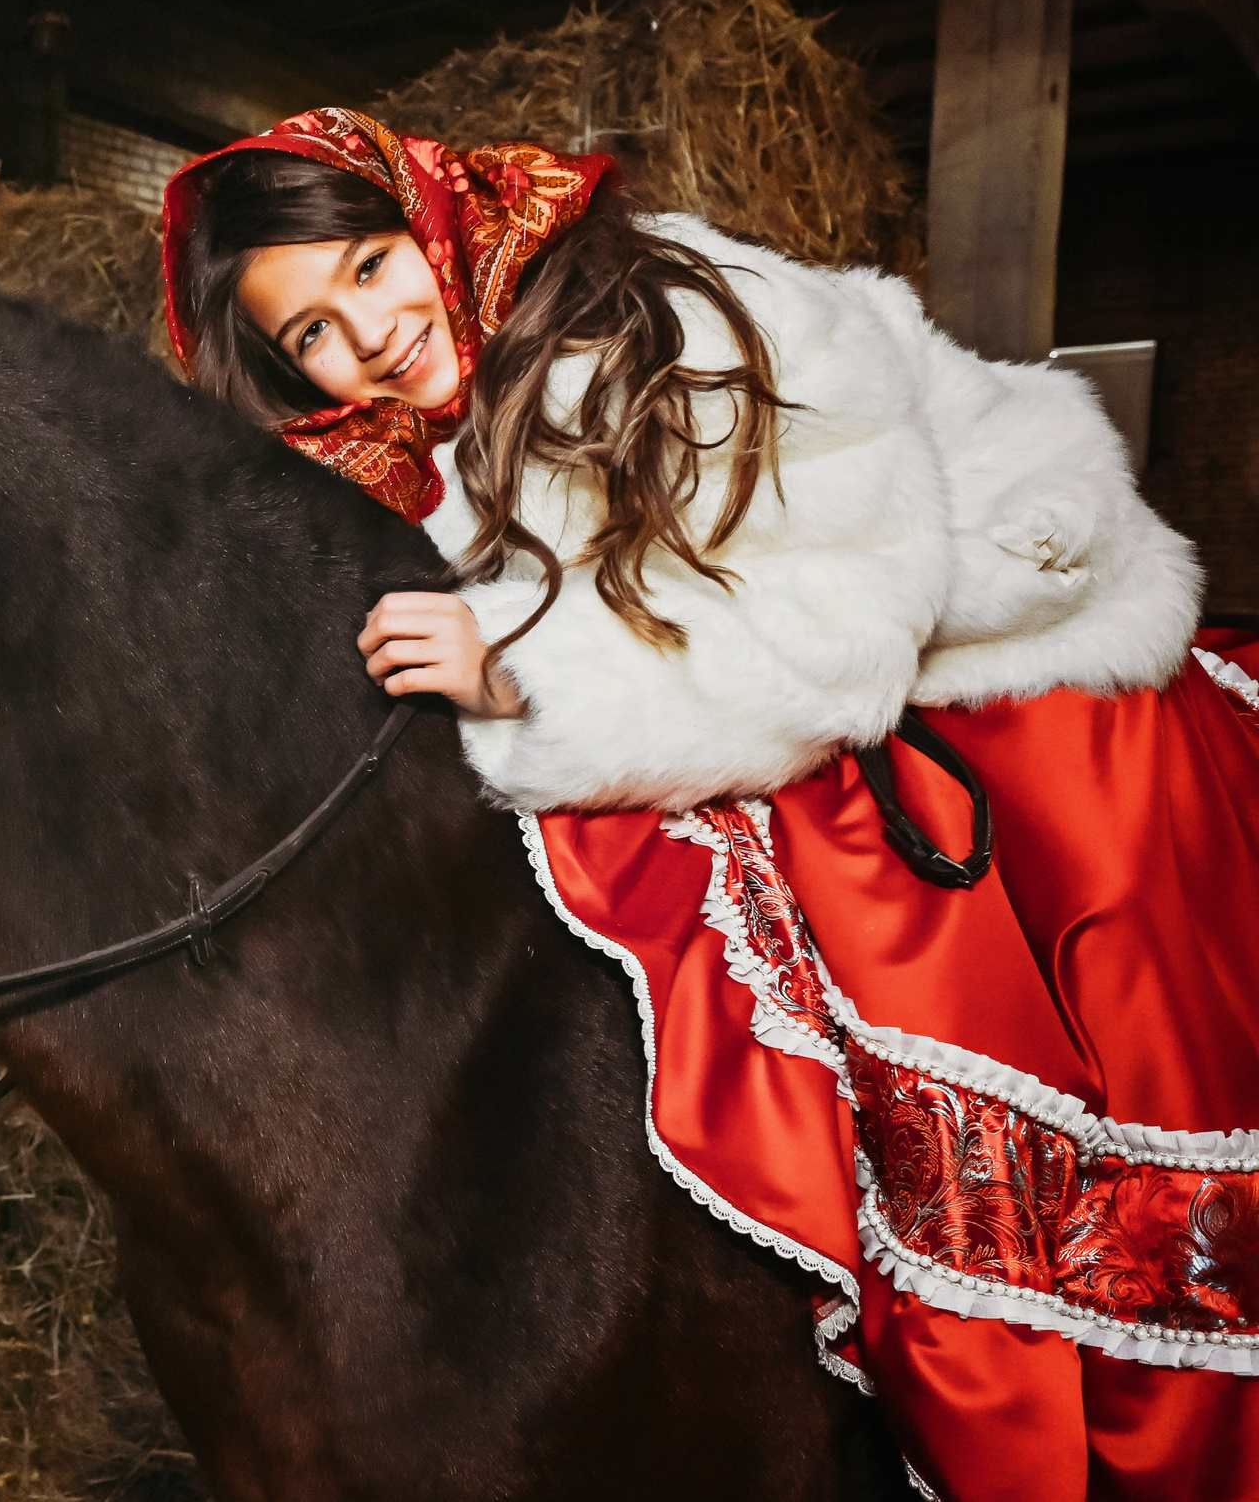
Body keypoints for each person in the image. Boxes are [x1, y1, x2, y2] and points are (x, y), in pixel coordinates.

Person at [160, 107, 1259, 1502]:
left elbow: (830, 650)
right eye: (313, 331)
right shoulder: (428, 432)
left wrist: (518, 676)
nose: (368, 336)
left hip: (1008, 655)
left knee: (907, 945)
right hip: (793, 673)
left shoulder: (666, 323)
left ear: (433, 215)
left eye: (371, 266)